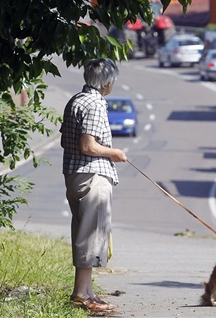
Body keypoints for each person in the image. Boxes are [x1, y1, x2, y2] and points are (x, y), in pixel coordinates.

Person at [60, 58, 127, 312]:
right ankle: (81, 294)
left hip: (74, 174)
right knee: (91, 234)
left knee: (83, 231)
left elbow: (67, 142)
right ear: (108, 84)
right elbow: (87, 145)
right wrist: (114, 153)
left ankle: (86, 291)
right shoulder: (96, 103)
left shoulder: (75, 99)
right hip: (92, 176)